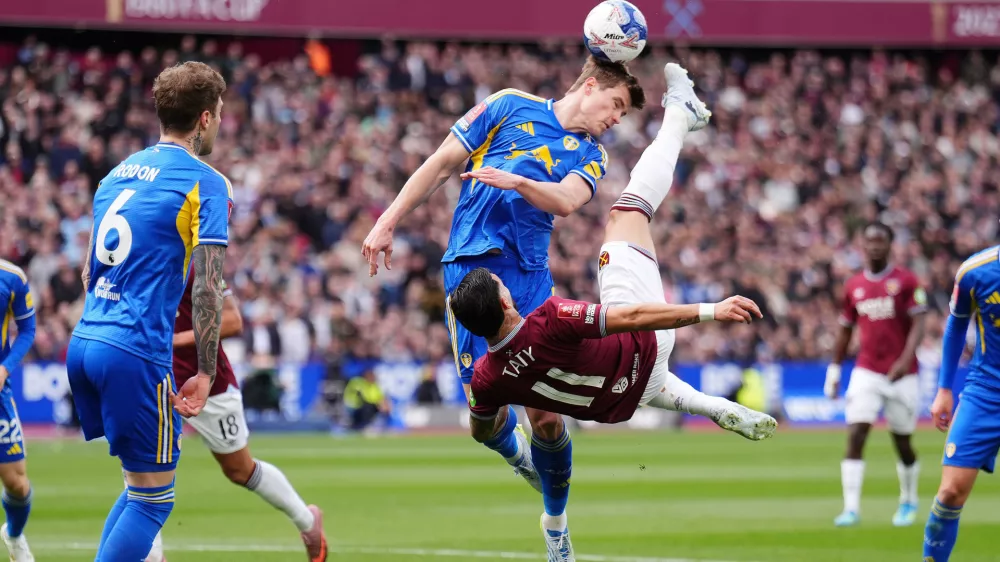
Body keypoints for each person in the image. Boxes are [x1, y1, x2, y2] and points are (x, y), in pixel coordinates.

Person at [448, 63, 777, 561]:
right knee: (628, 213)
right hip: (643, 348)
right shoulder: (549, 318)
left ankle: (706, 405)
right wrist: (712, 309)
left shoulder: (490, 378)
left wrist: (512, 452)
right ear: (507, 299)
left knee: (629, 384)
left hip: (622, 401)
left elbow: (479, 425)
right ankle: (680, 114)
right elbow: (633, 319)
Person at [362, 55, 645, 558]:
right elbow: (442, 163)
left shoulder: (593, 154)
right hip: (468, 273)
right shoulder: (507, 105)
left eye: (623, 114)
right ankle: (514, 453)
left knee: (549, 418)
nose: (616, 118)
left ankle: (556, 528)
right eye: (617, 104)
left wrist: (517, 182)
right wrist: (388, 221)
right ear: (592, 84)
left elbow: (563, 200)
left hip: (530, 281)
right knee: (482, 420)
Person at [65, 61, 232, 561]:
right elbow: (207, 287)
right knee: (154, 502)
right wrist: (205, 370)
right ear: (204, 118)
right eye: (219, 114)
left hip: (87, 340)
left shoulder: (115, 175)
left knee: (141, 489)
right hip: (134, 350)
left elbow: (87, 274)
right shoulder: (207, 182)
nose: (221, 123)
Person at [144, 271, 326, 562]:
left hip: (205, 380)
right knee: (142, 469)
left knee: (240, 469)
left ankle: (307, 521)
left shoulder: (196, 263)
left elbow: (232, 321)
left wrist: (173, 341)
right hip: (150, 378)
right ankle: (152, 556)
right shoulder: (135, 252)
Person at [824, 223, 928, 527]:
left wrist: (905, 359)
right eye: (869, 241)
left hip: (903, 374)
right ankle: (851, 508)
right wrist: (834, 369)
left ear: (890, 244)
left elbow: (919, 325)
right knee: (856, 434)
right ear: (862, 245)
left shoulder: (906, 281)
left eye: (880, 241)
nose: (874, 247)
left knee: (903, 442)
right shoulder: (853, 285)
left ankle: (908, 500)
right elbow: (845, 329)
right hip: (866, 370)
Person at [922, 245, 1000, 561]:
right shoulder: (975, 271)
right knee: (951, 492)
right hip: (985, 393)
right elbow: (956, 325)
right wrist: (944, 389)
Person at [0, 260, 36, 561]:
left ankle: (13, 533)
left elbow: (27, 330)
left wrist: (5, 368)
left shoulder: (12, 278)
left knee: (16, 482)